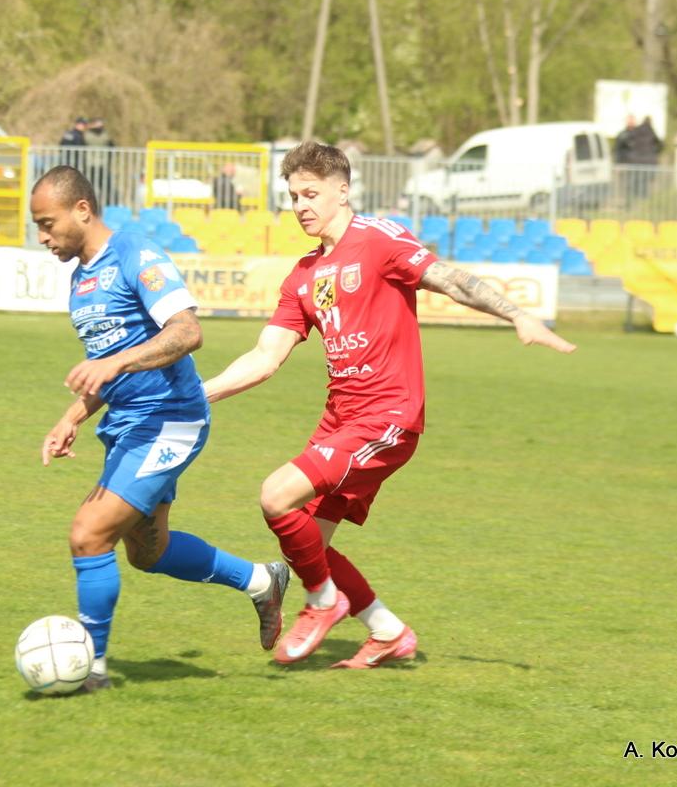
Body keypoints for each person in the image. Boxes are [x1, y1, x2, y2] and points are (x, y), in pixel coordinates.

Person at [202, 142, 576, 669]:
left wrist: (516, 314)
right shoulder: (303, 274)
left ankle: (322, 602)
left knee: (276, 495)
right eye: (294, 196)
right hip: (340, 420)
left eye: (311, 193)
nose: (301, 206)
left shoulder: (378, 239)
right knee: (308, 542)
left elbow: (450, 279)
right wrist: (199, 396)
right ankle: (388, 632)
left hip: (387, 417)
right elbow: (265, 357)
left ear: (342, 190)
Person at [30, 165, 290, 691]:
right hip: (129, 425)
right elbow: (110, 369)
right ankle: (262, 581)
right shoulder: (81, 280)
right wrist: (72, 416)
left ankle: (91, 669)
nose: (42, 237)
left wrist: (115, 363)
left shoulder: (135, 254)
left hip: (170, 419)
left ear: (82, 210)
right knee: (148, 552)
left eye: (47, 223)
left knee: (88, 535)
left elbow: (187, 331)